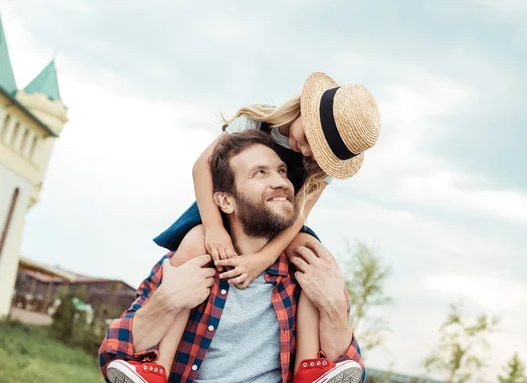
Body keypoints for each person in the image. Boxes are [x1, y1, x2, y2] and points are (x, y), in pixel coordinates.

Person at [103, 71, 381, 382]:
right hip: (213, 213)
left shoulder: (312, 271)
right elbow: (201, 167)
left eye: (283, 171)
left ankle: (311, 367)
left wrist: (266, 261)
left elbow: (300, 214)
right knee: (195, 243)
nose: (305, 154)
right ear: (306, 111)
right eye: (260, 173)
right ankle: (156, 366)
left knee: (311, 254)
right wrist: (214, 228)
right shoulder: (254, 121)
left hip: (286, 229)